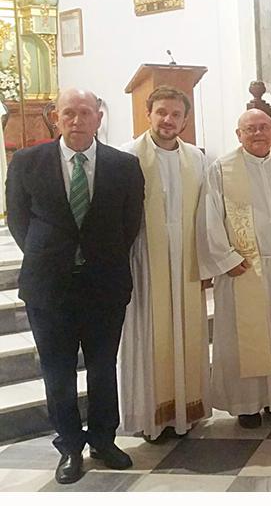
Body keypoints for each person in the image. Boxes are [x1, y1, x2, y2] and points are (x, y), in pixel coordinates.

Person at [5, 88, 144, 484]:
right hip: (50, 287)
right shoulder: (28, 162)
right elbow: (19, 221)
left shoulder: (124, 165)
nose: (77, 120)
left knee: (102, 368)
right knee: (58, 371)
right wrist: (53, 256)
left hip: (105, 284)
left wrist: (97, 256)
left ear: (99, 117)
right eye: (69, 113)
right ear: (55, 117)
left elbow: (128, 225)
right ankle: (69, 446)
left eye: (85, 112)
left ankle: (103, 439)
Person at [196, 108, 271, 429]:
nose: (258, 134)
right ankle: (247, 404)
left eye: (264, 127)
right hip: (242, 269)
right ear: (239, 134)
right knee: (244, 339)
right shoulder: (222, 170)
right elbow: (208, 218)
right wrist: (226, 258)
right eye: (250, 129)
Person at [119, 86, 210, 442]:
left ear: (185, 119)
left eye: (176, 114)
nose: (168, 120)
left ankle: (184, 411)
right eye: (161, 113)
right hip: (146, 261)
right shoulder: (128, 156)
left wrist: (206, 260)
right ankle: (149, 416)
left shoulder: (197, 159)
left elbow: (205, 213)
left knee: (186, 332)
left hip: (186, 259)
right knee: (149, 334)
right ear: (148, 113)